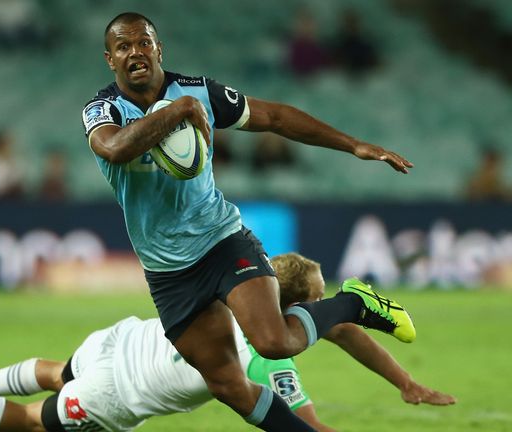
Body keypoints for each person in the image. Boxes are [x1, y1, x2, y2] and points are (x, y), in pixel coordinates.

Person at [79, 12, 415, 431]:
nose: (136, 52)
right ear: (110, 59)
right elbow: (114, 149)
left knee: (273, 343)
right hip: (168, 272)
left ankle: (356, 304)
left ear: (159, 48)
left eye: (143, 42)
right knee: (227, 385)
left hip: (222, 241)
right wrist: (179, 110)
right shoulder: (103, 109)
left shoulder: (199, 90)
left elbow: (274, 117)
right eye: (124, 47)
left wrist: (354, 145)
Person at [0, 253, 456, 432]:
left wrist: (405, 382)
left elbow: (343, 328)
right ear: (293, 310)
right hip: (120, 392)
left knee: (55, 369)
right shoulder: (265, 355)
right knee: (32, 425)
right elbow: (306, 427)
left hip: (120, 339)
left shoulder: (235, 286)